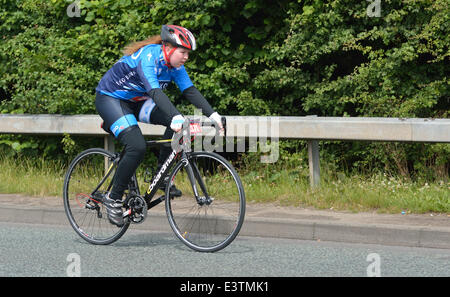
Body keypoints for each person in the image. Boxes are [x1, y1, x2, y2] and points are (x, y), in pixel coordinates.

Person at [95, 25, 224, 227]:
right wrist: (175, 116)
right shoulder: (148, 57)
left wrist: (213, 114)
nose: (186, 57)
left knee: (180, 125)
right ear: (167, 47)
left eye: (188, 53)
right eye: (182, 52)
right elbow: (154, 91)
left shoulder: (176, 67)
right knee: (137, 146)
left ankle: (161, 177)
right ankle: (113, 197)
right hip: (112, 99)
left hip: (137, 101)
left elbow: (189, 90)